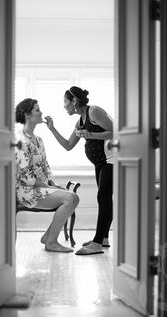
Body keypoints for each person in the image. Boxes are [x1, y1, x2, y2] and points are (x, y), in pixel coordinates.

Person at [45, 86, 113, 255]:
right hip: (101, 163)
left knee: (103, 198)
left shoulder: (94, 112)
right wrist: (52, 129)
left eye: (65, 102)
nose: (64, 106)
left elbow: (115, 132)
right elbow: (68, 146)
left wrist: (91, 135)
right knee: (104, 199)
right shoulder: (80, 121)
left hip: (113, 160)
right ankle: (103, 238)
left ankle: (97, 244)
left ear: (74, 101)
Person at [15, 98, 79, 253]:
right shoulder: (20, 140)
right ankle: (51, 242)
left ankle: (48, 237)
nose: (41, 112)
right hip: (26, 191)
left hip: (42, 187)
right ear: (27, 115)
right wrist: (47, 186)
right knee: (71, 197)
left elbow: (45, 166)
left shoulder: (39, 140)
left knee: (71, 196)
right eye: (37, 110)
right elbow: (25, 176)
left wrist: (53, 184)